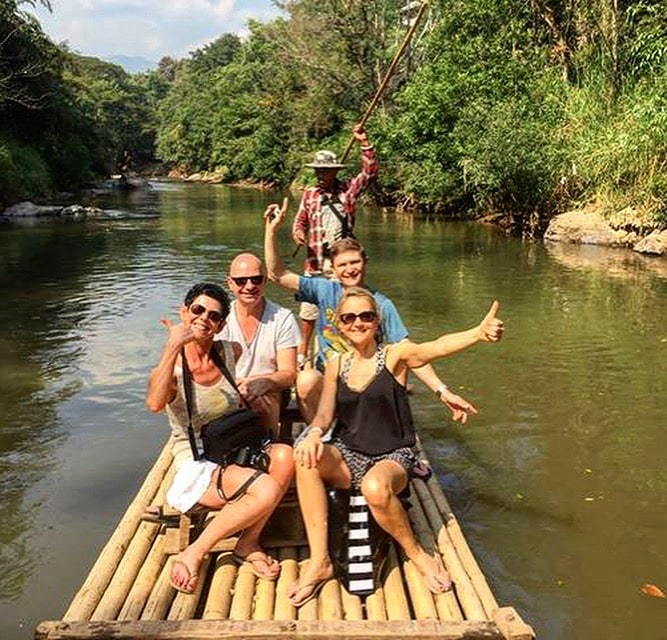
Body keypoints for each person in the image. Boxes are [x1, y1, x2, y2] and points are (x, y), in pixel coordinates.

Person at [287, 288, 504, 606]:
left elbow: (435, 347)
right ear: (340, 324)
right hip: (349, 454)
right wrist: (312, 435)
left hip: (392, 455)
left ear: (377, 322)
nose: (358, 323)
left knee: (376, 486)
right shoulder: (335, 366)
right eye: (350, 317)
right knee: (305, 459)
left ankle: (416, 553)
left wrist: (477, 333)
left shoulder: (394, 357)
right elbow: (322, 417)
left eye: (366, 316)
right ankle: (320, 562)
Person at [264, 199, 478, 425]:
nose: (349, 270)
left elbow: (412, 352)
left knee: (398, 364)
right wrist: (271, 231)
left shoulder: (381, 304)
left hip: (364, 379)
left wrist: (442, 391)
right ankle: (323, 436)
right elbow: (277, 274)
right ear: (334, 270)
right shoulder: (324, 290)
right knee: (306, 379)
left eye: (354, 262)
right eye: (343, 265)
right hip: (327, 379)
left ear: (365, 262)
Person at [146, 282, 294, 593]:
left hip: (234, 447)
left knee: (285, 456)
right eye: (197, 310)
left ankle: (248, 541)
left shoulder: (229, 351)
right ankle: (194, 552)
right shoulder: (171, 371)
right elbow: (155, 404)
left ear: (221, 324)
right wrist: (172, 346)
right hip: (199, 460)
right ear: (184, 313)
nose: (204, 319)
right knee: (265, 488)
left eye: (213, 316)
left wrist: (255, 392)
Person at [293, 124, 378, 366]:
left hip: (341, 265)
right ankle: (302, 355)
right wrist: (298, 233)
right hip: (314, 263)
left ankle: (342, 353)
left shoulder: (348, 191)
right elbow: (300, 221)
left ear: (334, 172)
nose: (320, 175)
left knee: (341, 310)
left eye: (324, 171)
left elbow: (369, 172)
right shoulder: (309, 194)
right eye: (318, 171)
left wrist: (364, 142)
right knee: (308, 312)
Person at [217, 252, 300, 437]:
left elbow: (289, 374)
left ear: (265, 281)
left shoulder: (282, 318)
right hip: (230, 387)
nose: (249, 286)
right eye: (241, 281)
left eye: (256, 279)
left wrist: (265, 382)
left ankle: (269, 447)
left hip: (271, 389)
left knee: (262, 399)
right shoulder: (218, 318)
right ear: (230, 283)